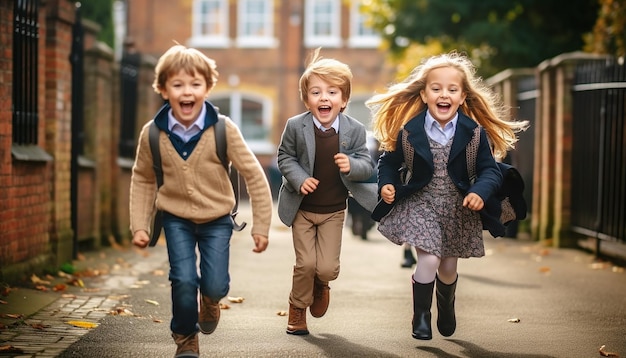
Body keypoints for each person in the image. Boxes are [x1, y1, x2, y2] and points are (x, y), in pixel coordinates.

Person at [367, 52, 528, 340]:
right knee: (428, 260)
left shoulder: (475, 134)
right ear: (425, 94)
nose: (444, 94)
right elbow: (388, 162)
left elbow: (490, 171)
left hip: (458, 208)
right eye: (436, 88)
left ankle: (446, 303)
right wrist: (386, 184)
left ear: (463, 96)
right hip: (421, 203)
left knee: (448, 267)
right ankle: (421, 316)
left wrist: (479, 192)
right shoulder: (409, 131)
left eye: (452, 89)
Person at [129, 44, 273, 357]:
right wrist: (139, 225)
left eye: (195, 84)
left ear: (207, 88)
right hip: (175, 217)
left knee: (216, 285)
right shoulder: (152, 133)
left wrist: (261, 226)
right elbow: (141, 178)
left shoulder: (224, 129)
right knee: (182, 279)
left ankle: (210, 302)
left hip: (217, 219)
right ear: (163, 89)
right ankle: (185, 337)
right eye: (178, 85)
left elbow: (254, 175)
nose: (187, 92)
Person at [277, 48, 377, 336]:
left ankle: (321, 285)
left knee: (327, 268)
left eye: (332, 92)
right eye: (316, 92)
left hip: (334, 210)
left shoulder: (355, 130)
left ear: (343, 100)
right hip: (303, 209)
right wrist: (298, 179)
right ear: (306, 99)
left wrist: (351, 165)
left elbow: (366, 164)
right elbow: (285, 157)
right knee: (305, 263)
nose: (324, 98)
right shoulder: (296, 126)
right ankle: (297, 308)